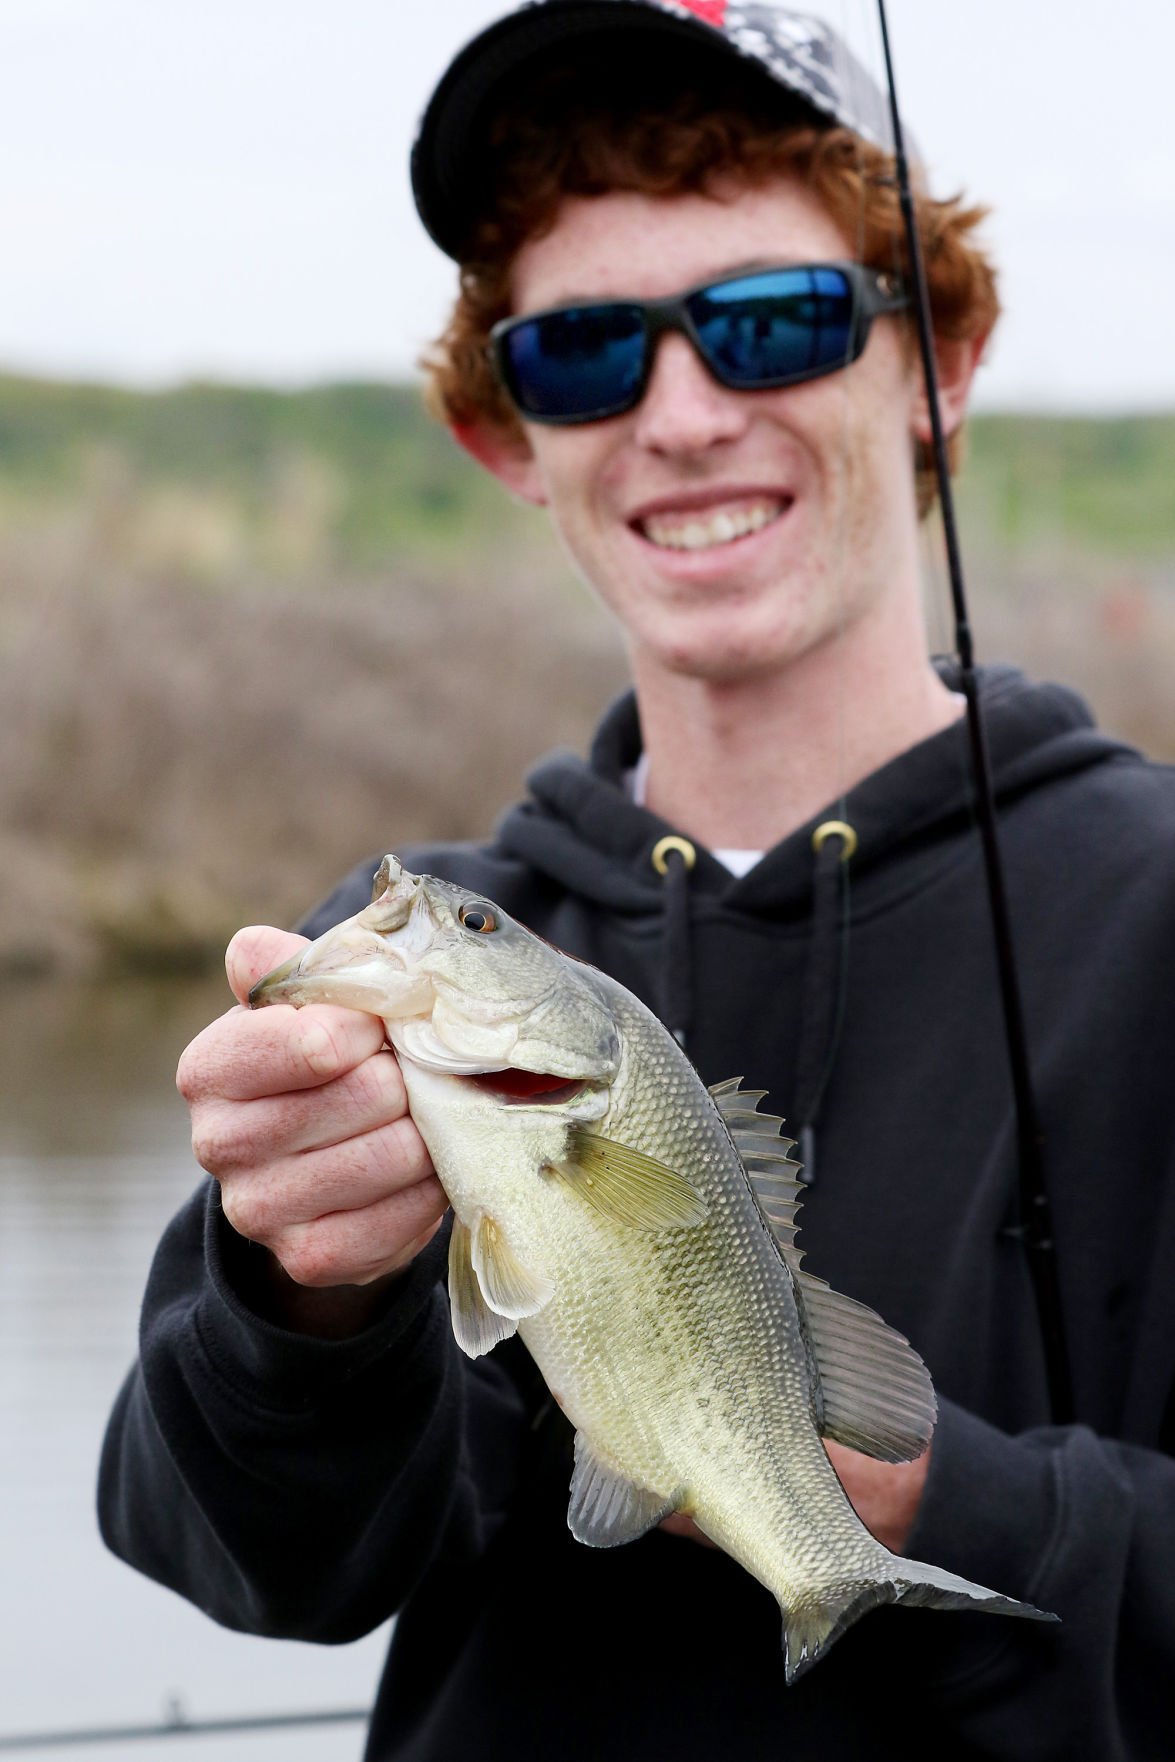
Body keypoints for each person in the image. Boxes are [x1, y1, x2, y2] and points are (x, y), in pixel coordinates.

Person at [99, 4, 1175, 1757]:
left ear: (942, 359)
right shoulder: (401, 958)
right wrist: (293, 1295)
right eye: (586, 351)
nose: (682, 413)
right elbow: (234, 1563)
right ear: (504, 433)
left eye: (773, 322)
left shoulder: (1155, 908)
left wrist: (956, 1513)